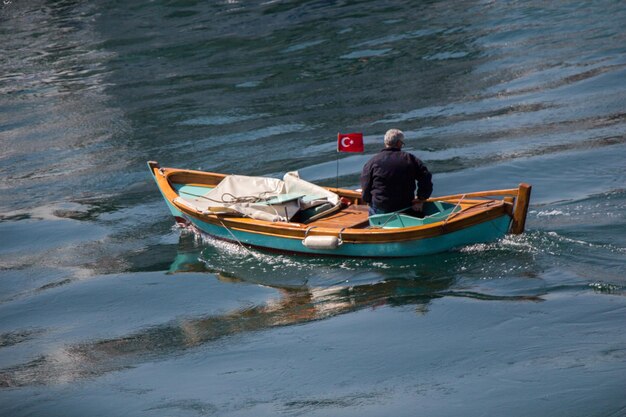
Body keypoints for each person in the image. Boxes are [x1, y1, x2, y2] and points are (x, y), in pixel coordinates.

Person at [360, 129, 433, 216]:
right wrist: (421, 198)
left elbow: (365, 186)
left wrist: (368, 200)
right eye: (402, 143)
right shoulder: (410, 159)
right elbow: (426, 176)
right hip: (405, 206)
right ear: (398, 143)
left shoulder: (372, 162)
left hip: (382, 207)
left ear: (385, 143)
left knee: (373, 207)